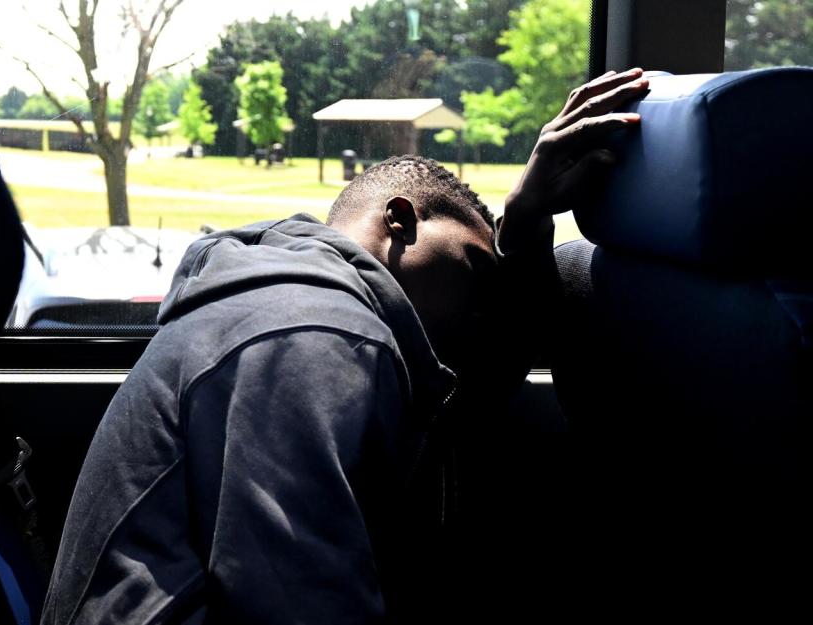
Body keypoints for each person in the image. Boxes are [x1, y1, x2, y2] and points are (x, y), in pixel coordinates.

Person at [41, 68, 649, 625]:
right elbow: (298, 601)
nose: (481, 306)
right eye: (473, 264)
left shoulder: (311, 310)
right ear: (401, 221)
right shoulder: (315, 329)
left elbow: (476, 379)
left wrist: (525, 222)